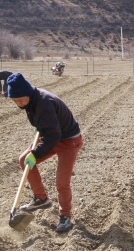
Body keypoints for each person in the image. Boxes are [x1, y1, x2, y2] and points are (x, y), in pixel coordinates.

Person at [7, 73, 83, 233]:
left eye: (20, 100)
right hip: (52, 135)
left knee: (62, 181)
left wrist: (35, 153)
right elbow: (48, 128)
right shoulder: (30, 101)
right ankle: (41, 198)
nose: (18, 104)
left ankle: (66, 217)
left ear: (28, 93)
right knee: (24, 160)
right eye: (15, 101)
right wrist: (40, 127)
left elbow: (53, 134)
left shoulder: (43, 103)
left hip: (69, 140)